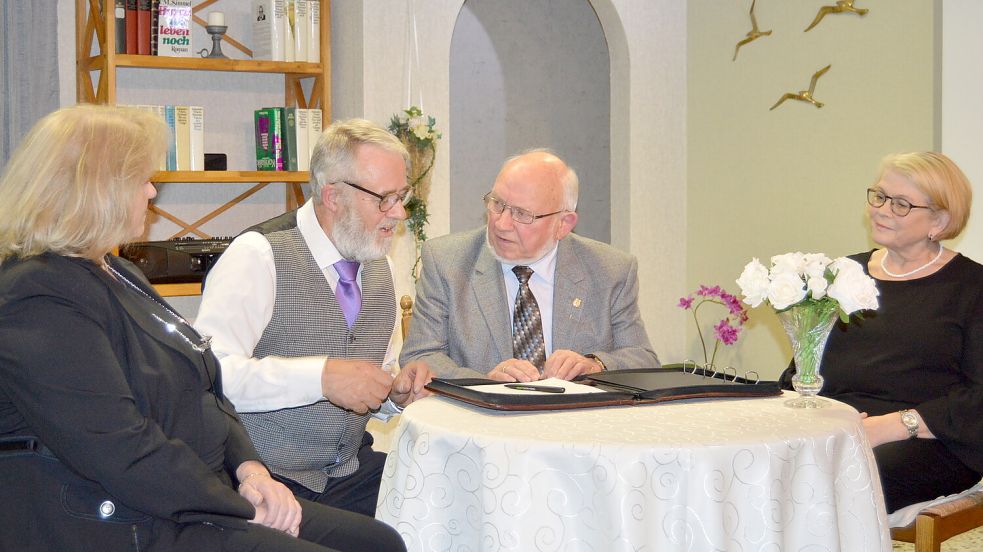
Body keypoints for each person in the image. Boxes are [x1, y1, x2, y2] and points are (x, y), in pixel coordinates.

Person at [0, 105, 405, 551]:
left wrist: (249, 471)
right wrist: (240, 504)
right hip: (129, 516)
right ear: (95, 191)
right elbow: (119, 448)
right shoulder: (38, 296)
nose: (152, 192)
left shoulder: (118, 272)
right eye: (141, 180)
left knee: (378, 543)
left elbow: (206, 385)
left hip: (202, 490)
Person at [194, 118, 430, 518]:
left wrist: (394, 394)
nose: (399, 213)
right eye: (385, 198)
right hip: (261, 478)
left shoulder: (380, 264)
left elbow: (377, 369)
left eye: (402, 196)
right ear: (333, 196)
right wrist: (320, 378)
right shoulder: (258, 254)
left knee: (443, 507)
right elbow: (209, 375)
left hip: (348, 470)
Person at [785, 151, 983, 513]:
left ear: (939, 221)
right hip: (837, 426)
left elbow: (978, 399)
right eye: (879, 196)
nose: (881, 209)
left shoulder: (973, 288)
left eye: (901, 204)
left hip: (927, 440)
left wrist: (890, 427)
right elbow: (803, 367)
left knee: (829, 482)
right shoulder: (843, 274)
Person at [400, 149, 659, 381]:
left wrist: (595, 364)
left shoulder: (611, 270)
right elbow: (420, 356)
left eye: (522, 214)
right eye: (497, 204)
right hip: (481, 427)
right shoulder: (447, 262)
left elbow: (644, 360)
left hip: (577, 427)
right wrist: (482, 383)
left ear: (563, 224)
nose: (501, 224)